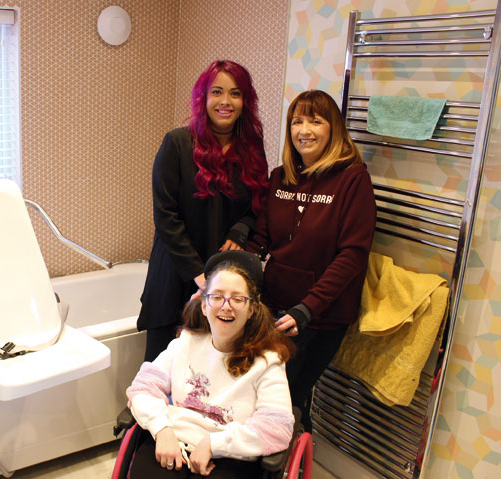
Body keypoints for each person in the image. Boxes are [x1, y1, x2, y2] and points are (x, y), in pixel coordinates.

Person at [246, 89, 376, 432]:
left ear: (333, 128)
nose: (304, 130)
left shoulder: (352, 180)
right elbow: (261, 239)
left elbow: (352, 255)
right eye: (297, 121)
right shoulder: (280, 177)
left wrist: (308, 308)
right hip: (274, 308)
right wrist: (223, 280)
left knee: (286, 402)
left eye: (315, 121)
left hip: (320, 317)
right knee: (257, 399)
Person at [138, 60, 269, 362]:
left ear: (245, 101)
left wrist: (241, 230)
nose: (225, 102)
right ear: (203, 98)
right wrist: (199, 275)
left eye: (235, 94)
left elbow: (258, 203)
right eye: (217, 92)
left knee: (207, 371)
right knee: (160, 366)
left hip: (223, 277)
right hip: (176, 272)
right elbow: (165, 216)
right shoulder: (178, 143)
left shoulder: (251, 147)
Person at [126, 250, 295, 478]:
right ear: (204, 305)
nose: (226, 306)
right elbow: (142, 388)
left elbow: (276, 428)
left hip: (231, 454)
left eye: (237, 299)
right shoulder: (185, 343)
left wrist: (212, 444)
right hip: (173, 439)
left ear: (252, 309)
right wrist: (161, 429)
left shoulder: (267, 362)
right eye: (216, 296)